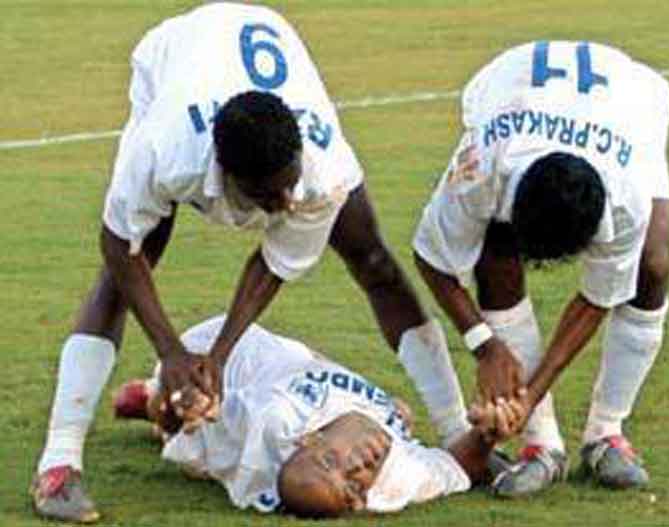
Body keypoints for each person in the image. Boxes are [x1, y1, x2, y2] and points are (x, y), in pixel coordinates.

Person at [32, 2, 469, 522]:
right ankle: (58, 464)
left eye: (289, 185)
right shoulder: (166, 152)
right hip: (176, 59)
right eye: (266, 195)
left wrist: (216, 359)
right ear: (224, 174)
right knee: (126, 272)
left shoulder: (321, 169)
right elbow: (117, 246)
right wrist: (171, 352)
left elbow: (274, 263)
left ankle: (457, 428)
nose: (285, 204)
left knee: (374, 259)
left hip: (272, 52)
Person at [413, 41, 669, 497]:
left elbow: (597, 299)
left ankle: (606, 433)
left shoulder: (626, 195)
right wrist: (485, 346)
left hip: (630, 102)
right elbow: (432, 257)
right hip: (507, 87)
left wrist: (528, 394)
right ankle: (542, 447)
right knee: (495, 255)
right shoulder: (484, 168)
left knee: (651, 265)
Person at [111, 315, 520, 517]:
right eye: (353, 488)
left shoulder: (273, 418)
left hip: (233, 355)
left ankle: (145, 397)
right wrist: (486, 434)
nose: (357, 470)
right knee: (398, 412)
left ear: (308, 439)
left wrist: (172, 406)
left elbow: (192, 413)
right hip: (283, 385)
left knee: (190, 425)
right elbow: (457, 466)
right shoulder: (394, 480)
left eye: (331, 463)